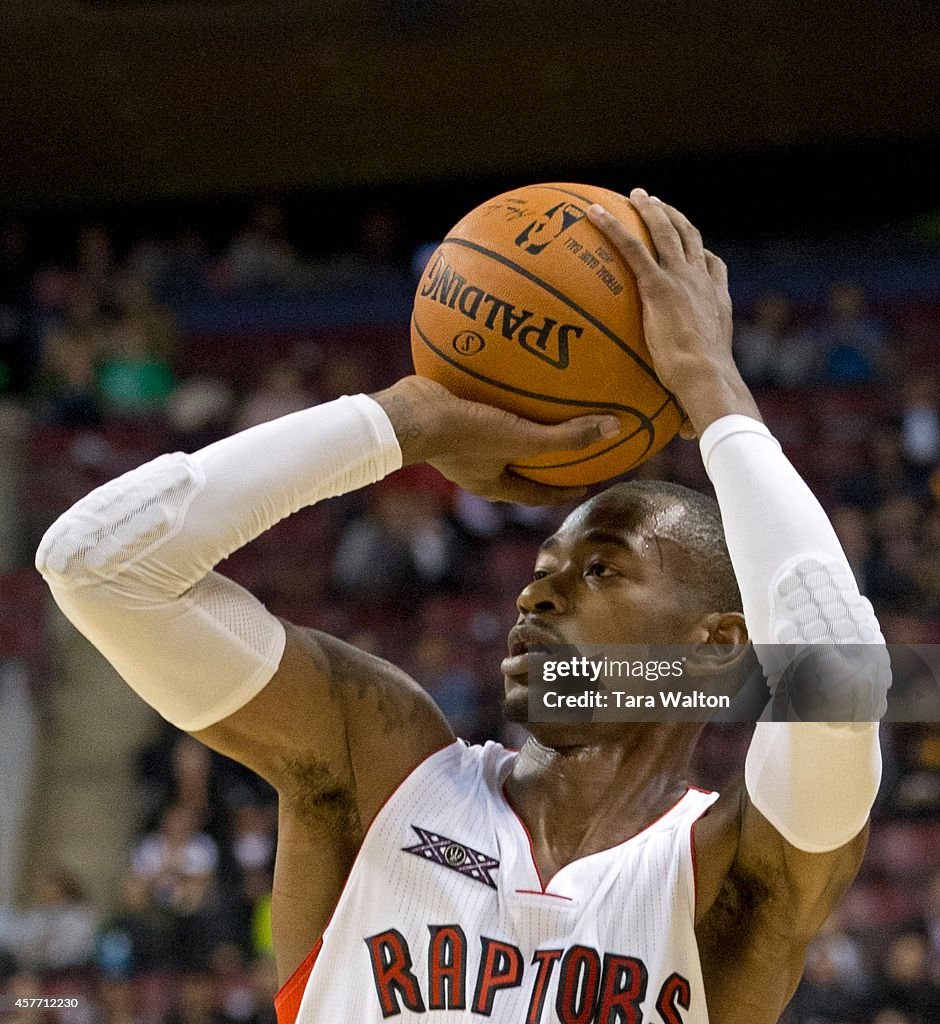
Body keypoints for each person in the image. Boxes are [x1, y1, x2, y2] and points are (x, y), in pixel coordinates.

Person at [36, 191, 888, 1023]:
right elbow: (98, 566)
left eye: (601, 569)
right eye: (544, 564)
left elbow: (838, 675)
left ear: (713, 645)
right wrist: (406, 420)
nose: (536, 589)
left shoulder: (727, 874)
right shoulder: (388, 771)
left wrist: (714, 391)